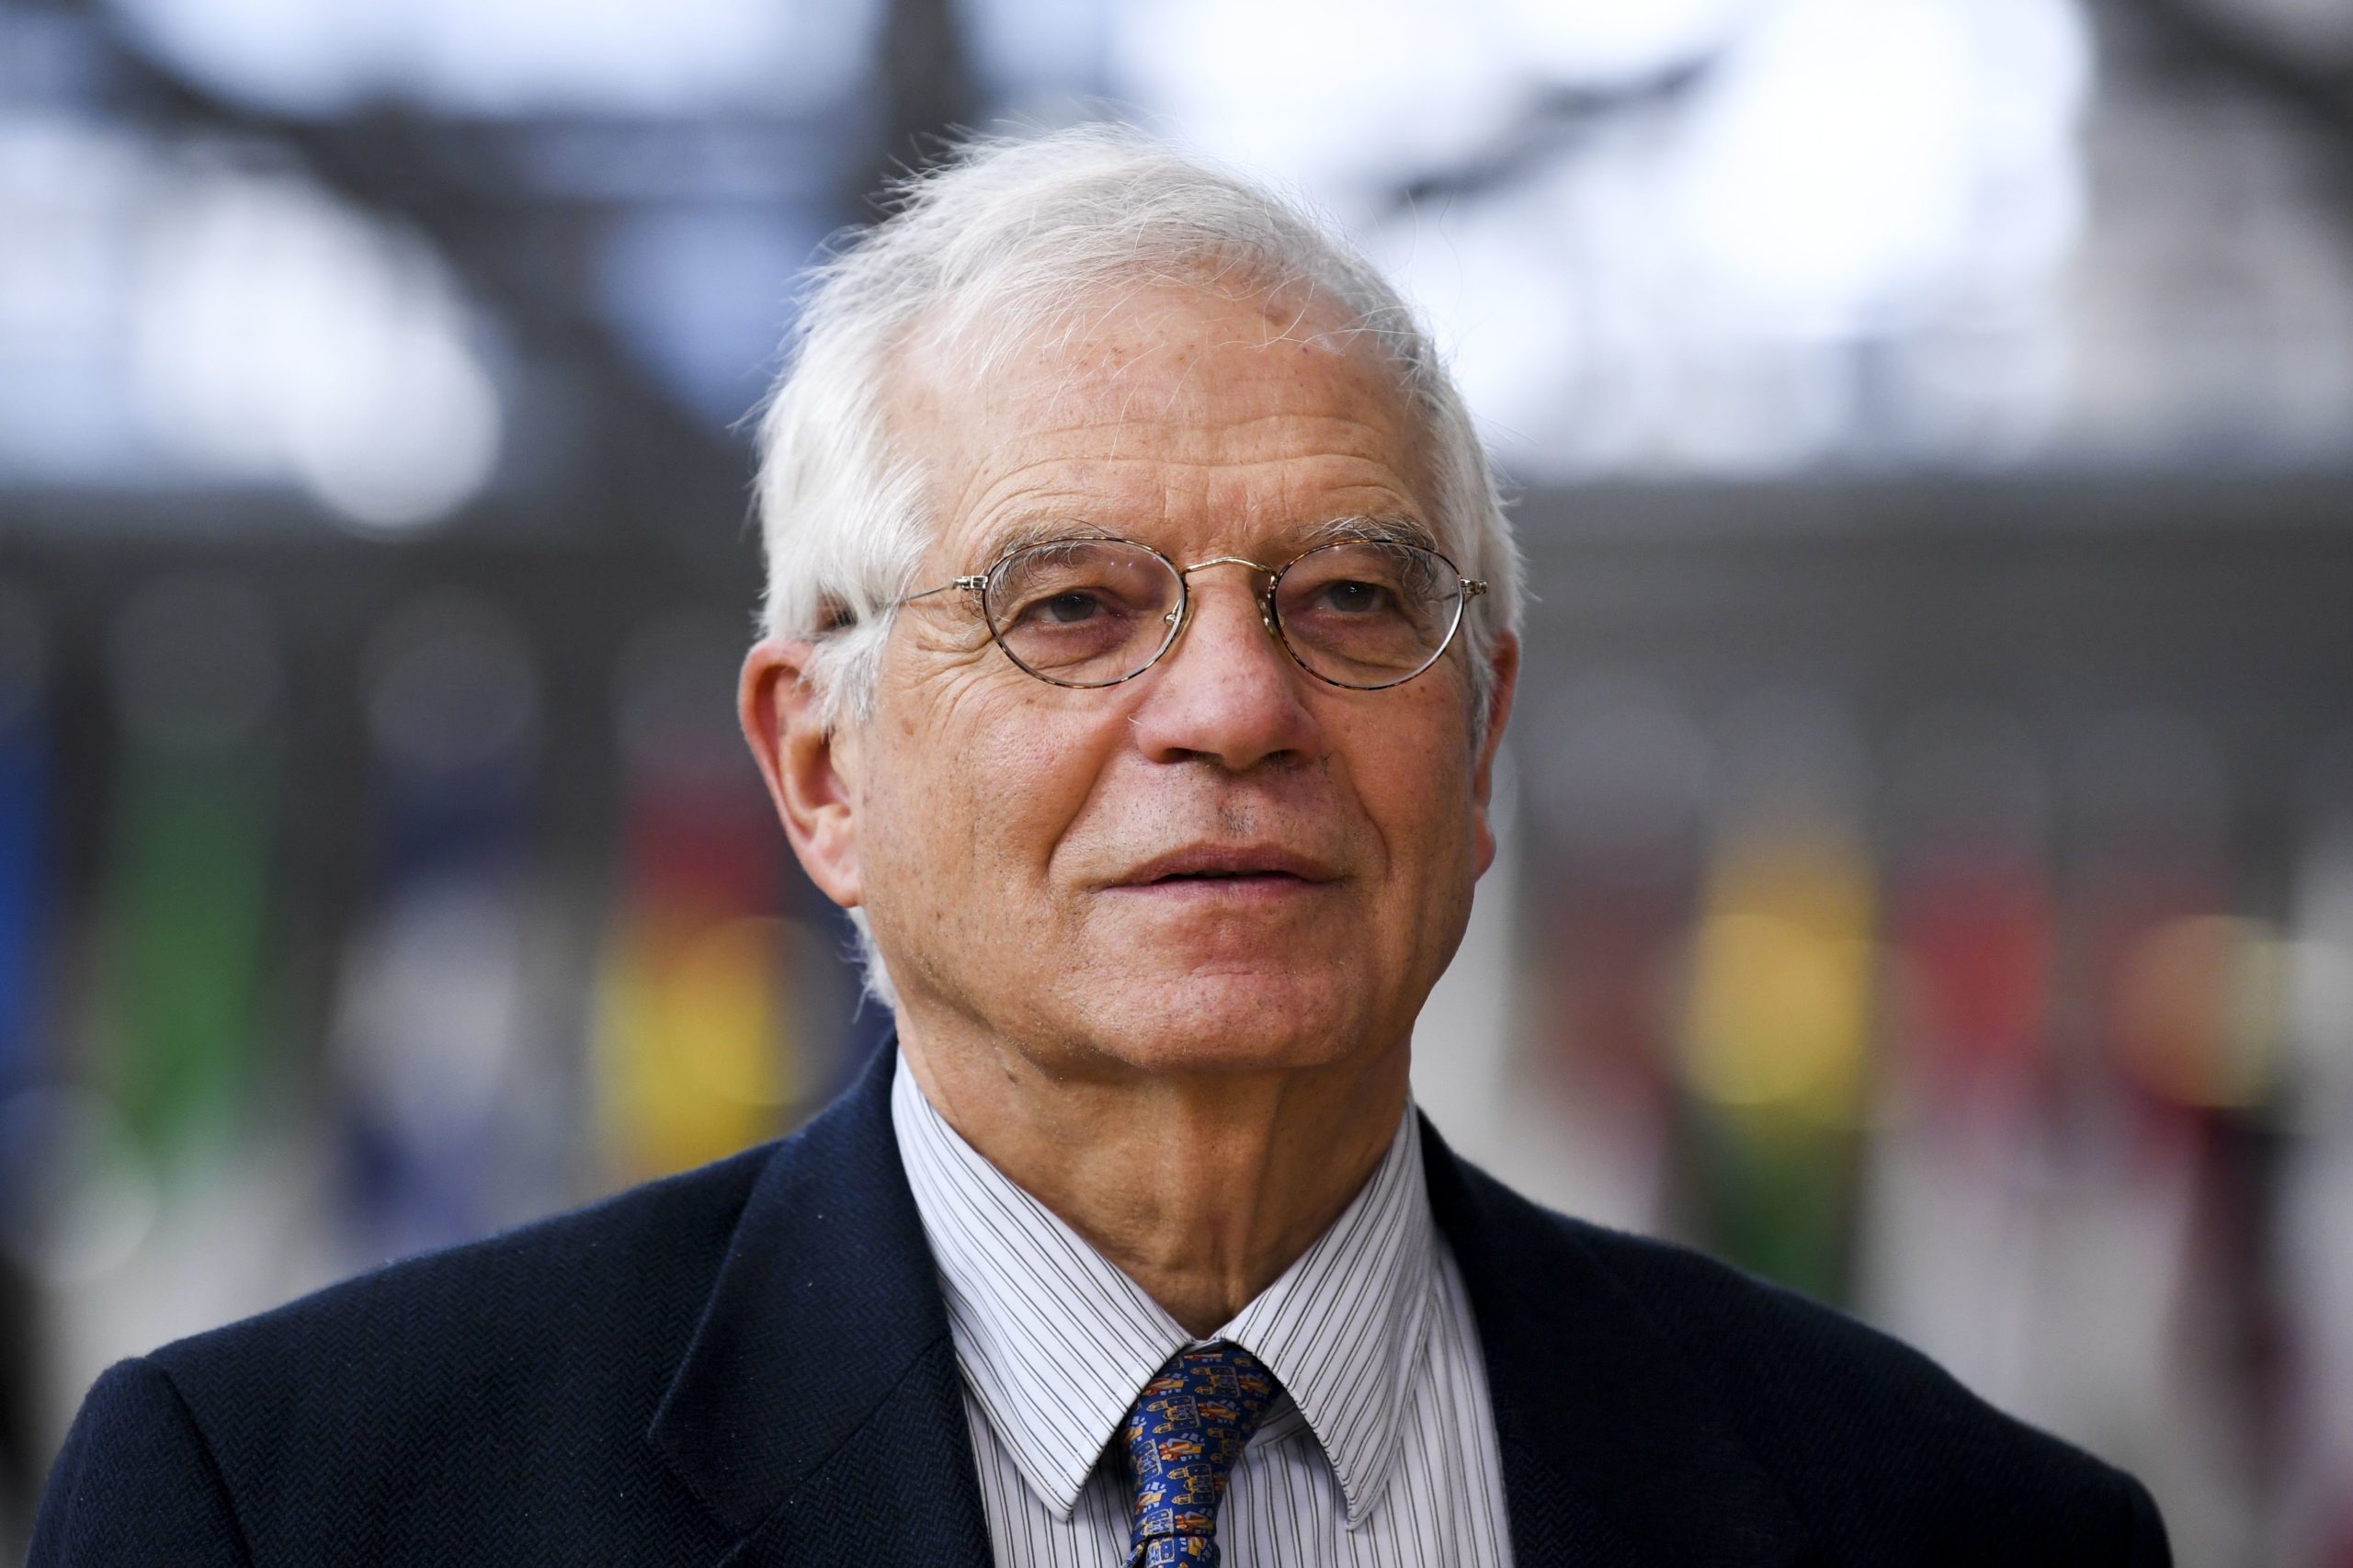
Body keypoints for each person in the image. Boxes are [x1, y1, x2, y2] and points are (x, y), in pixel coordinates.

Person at [30, 127, 2167, 1568]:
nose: (1237, 706)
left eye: (1348, 600)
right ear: (819, 770)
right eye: (1068, 608)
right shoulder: (295, 1505)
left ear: (1481, 732)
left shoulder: (1956, 1525)